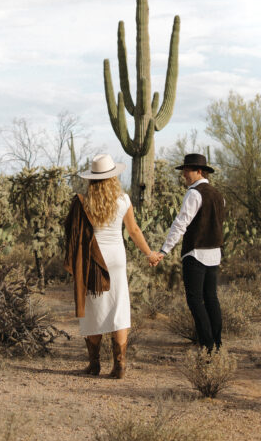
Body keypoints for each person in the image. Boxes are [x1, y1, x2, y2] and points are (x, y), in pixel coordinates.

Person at [64, 153, 158, 379]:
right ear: (113, 177)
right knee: (119, 308)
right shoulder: (123, 200)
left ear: (92, 179)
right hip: (116, 259)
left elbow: (72, 232)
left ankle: (94, 364)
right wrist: (149, 254)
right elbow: (134, 230)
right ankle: (119, 365)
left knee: (94, 310)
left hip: (93, 259)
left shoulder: (84, 201)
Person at [151, 153, 225, 352]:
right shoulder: (218, 194)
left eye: (187, 170)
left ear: (198, 171)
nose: (184, 174)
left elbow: (180, 224)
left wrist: (164, 250)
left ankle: (207, 344)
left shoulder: (194, 193)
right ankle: (217, 344)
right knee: (211, 298)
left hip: (196, 253)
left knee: (195, 300)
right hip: (214, 253)